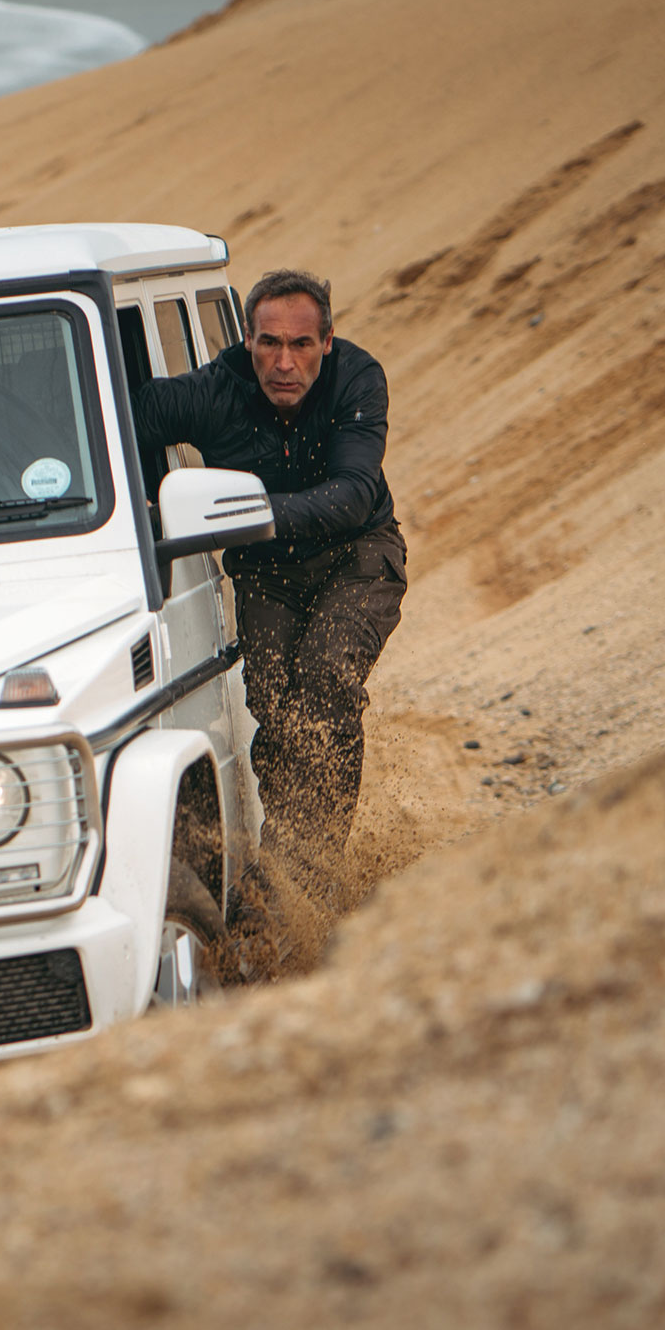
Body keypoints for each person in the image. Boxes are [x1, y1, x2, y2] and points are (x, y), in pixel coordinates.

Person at [131, 268, 405, 876]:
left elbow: (354, 494)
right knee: (276, 709)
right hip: (266, 572)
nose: (285, 362)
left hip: (356, 555)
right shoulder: (214, 392)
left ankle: (311, 863)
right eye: (269, 344)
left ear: (326, 343)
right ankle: (288, 860)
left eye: (301, 344)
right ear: (246, 341)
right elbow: (121, 414)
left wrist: (242, 513)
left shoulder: (358, 378)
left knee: (325, 677)